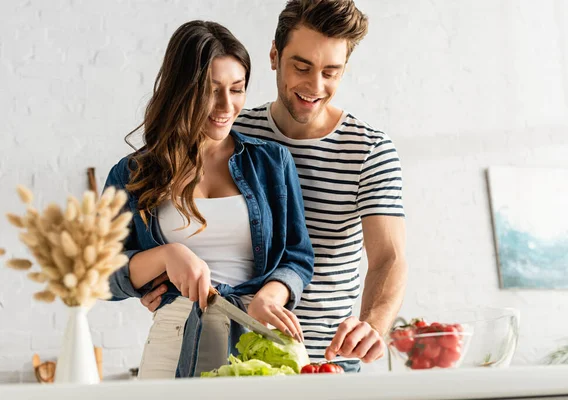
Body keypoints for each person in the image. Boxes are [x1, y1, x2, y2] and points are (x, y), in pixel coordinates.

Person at [142, 0, 408, 373]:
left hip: (327, 360)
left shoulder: (368, 150)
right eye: (302, 67)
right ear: (273, 55)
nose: (315, 86)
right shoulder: (232, 129)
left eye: (331, 72)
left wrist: (372, 325)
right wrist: (156, 282)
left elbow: (388, 258)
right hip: (245, 356)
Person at [103, 20, 314, 379]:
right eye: (211, 90)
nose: (226, 105)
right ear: (181, 90)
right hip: (173, 337)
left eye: (237, 89)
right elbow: (102, 274)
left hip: (258, 338)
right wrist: (168, 255)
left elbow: (297, 256)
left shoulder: (272, 163)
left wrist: (272, 296)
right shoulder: (133, 172)